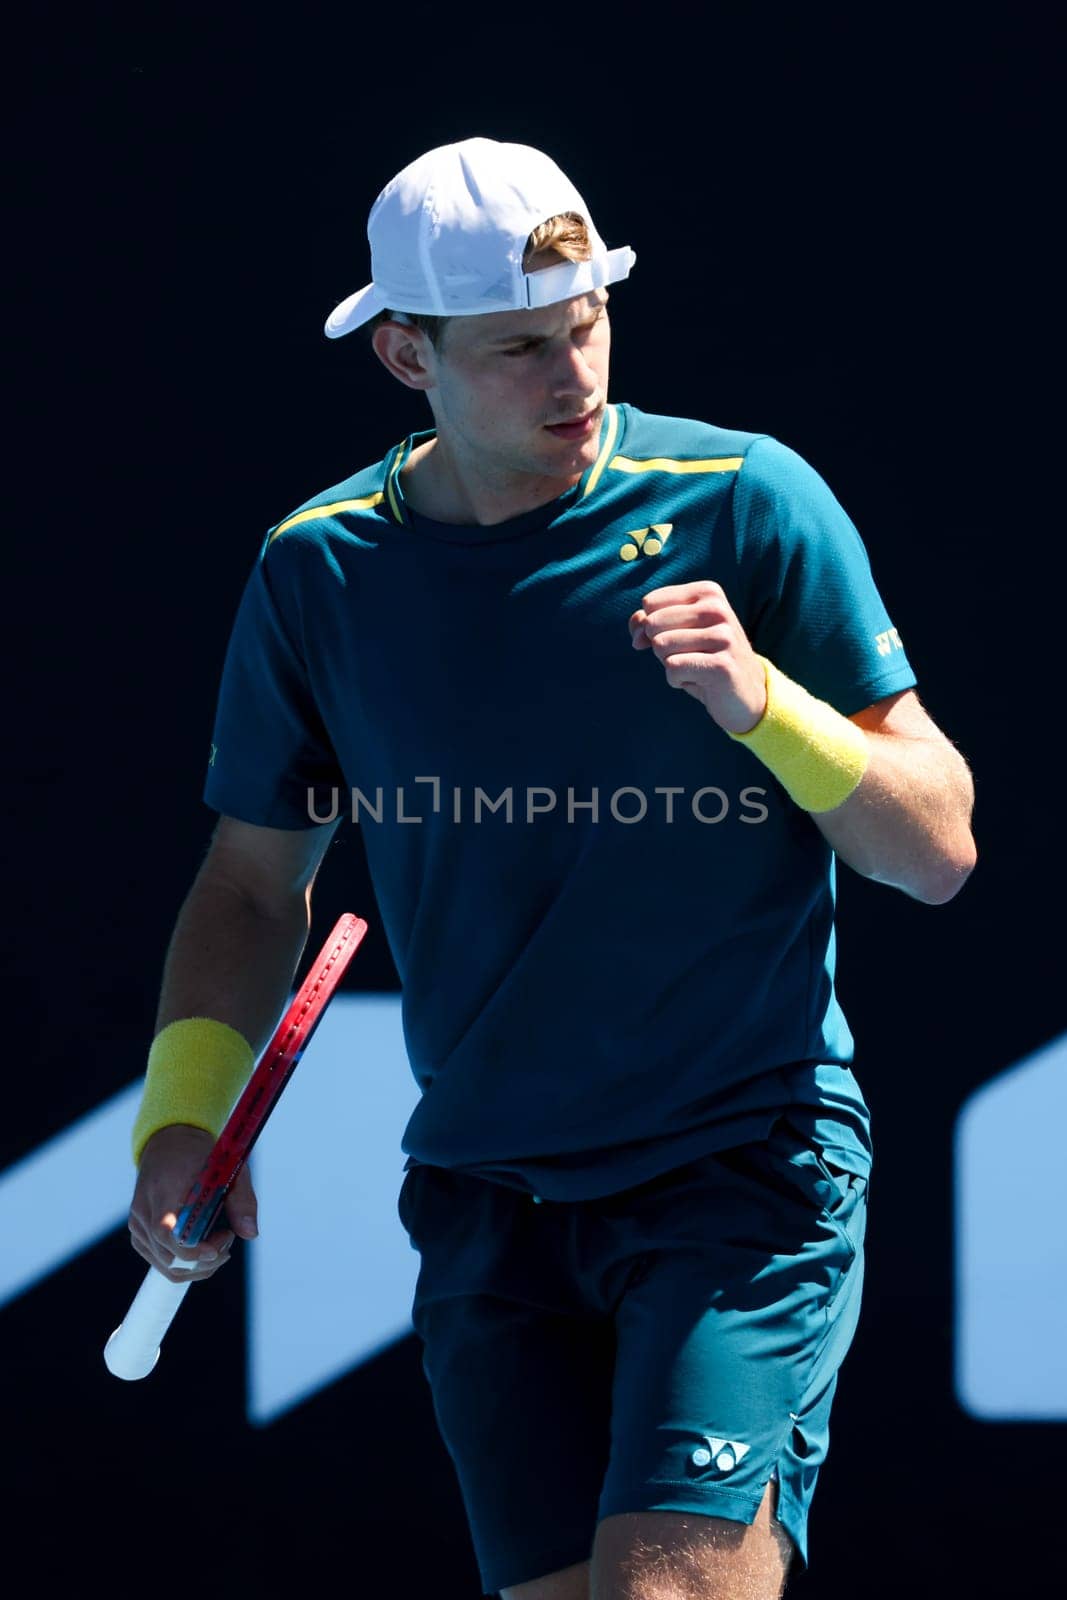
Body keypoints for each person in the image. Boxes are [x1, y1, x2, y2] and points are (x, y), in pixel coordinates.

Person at [124, 137, 976, 1600]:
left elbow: (940, 847)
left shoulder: (748, 501)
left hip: (741, 1167)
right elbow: (254, 887)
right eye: (520, 346)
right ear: (407, 354)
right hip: (487, 1191)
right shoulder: (317, 570)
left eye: (587, 324)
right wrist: (181, 1119)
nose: (573, 374)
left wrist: (766, 704)